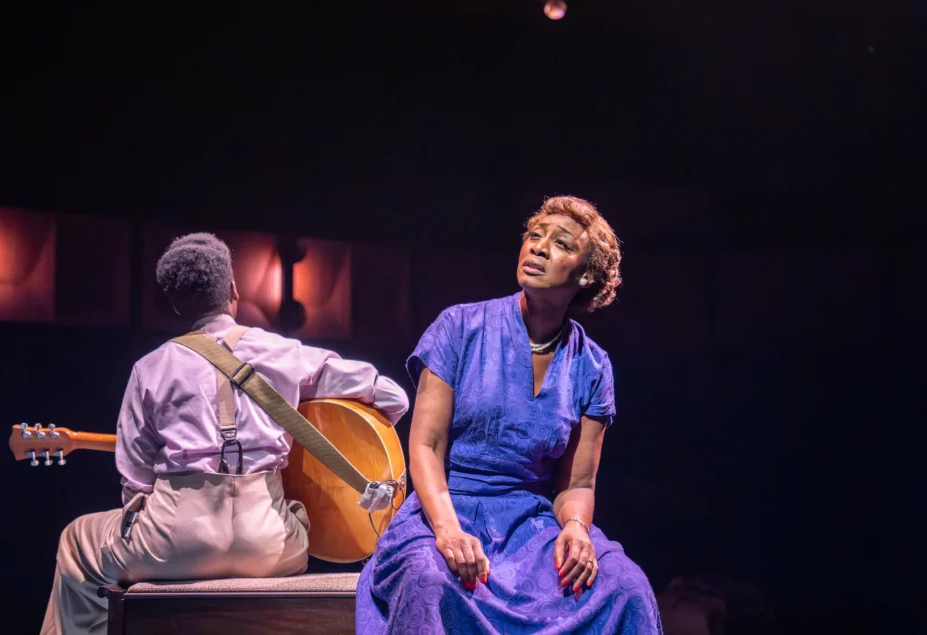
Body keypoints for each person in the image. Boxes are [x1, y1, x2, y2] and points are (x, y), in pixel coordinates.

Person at [40, 233, 409, 635]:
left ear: (176, 305)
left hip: (175, 542)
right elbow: (393, 398)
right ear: (233, 290)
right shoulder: (283, 352)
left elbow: (135, 482)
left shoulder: (150, 368)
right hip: (271, 544)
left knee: (77, 541)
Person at [356, 196, 663, 634]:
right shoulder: (459, 327)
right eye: (534, 236)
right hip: (445, 506)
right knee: (430, 579)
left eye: (560, 243)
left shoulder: (592, 365)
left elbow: (576, 484)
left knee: (625, 585)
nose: (538, 248)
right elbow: (426, 445)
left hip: (529, 524)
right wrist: (447, 531)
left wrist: (576, 528)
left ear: (587, 274)